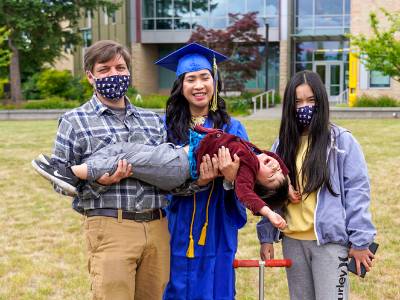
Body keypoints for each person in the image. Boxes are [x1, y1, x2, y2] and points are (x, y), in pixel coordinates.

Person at [44, 40, 174, 300]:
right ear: (91, 77)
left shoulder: (152, 121)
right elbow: (59, 181)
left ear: (128, 72)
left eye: (120, 67)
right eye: (104, 69)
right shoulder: (74, 121)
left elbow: (165, 170)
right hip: (111, 226)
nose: (114, 74)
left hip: (158, 226)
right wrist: (100, 181)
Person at [32, 124, 297, 228]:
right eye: (277, 169)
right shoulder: (255, 153)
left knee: (129, 156)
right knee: (119, 150)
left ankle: (71, 173)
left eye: (272, 178)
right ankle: (73, 175)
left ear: (256, 181)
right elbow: (276, 162)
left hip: (178, 165)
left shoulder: (245, 171)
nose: (274, 169)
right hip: (175, 157)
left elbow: (246, 195)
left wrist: (269, 212)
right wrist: (287, 186)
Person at [257, 70, 376, 300]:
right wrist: (266, 236)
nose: (305, 107)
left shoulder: (342, 141)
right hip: (292, 242)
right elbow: (272, 193)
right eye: (298, 101)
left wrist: (361, 241)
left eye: (311, 100)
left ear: (321, 101)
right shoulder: (282, 144)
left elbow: (358, 192)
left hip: (329, 244)